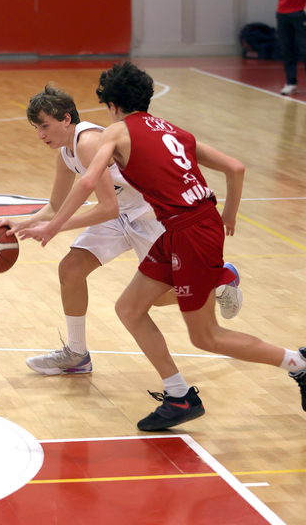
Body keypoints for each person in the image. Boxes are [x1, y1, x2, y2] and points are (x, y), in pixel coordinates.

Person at [25, 62, 306, 431]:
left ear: (112, 105)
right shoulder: (173, 130)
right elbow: (235, 168)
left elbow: (88, 184)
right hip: (185, 225)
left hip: (186, 230)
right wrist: (228, 215)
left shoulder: (115, 132)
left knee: (206, 336)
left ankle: (298, 363)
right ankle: (179, 396)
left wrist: (53, 227)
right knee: (130, 308)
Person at [0, 84, 242, 411]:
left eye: (44, 126)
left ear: (66, 119)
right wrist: (21, 223)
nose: (40, 135)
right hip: (120, 215)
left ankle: (219, 282)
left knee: (158, 298)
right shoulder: (67, 154)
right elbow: (54, 206)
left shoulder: (89, 142)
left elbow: (106, 208)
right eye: (36, 128)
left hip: (150, 216)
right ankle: (76, 354)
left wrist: (54, 228)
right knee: (71, 269)